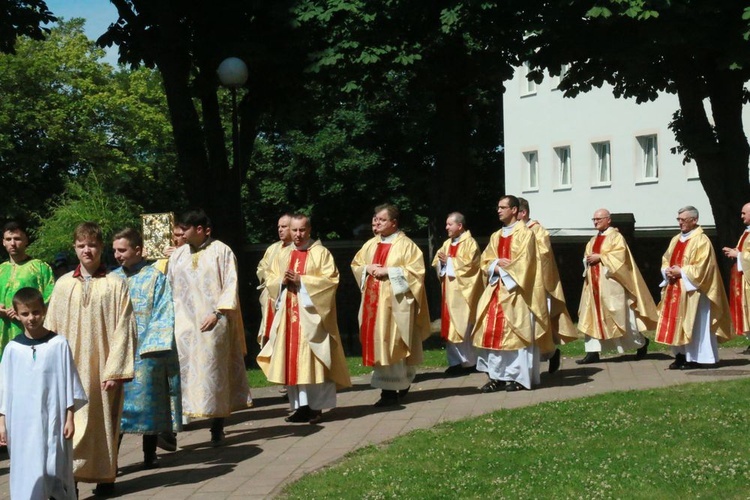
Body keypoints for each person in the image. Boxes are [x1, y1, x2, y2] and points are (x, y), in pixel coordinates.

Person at [44, 222, 136, 496]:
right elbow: (51, 329)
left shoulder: (115, 284)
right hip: (69, 368)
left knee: (102, 423)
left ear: (101, 248)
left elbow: (125, 327)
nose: (87, 250)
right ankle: (69, 477)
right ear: (74, 248)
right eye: (81, 245)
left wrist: (116, 370)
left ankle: (105, 477)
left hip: (102, 369)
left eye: (92, 245)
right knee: (70, 424)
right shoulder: (62, 286)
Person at [168, 209, 251, 445]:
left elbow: (230, 285)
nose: (182, 233)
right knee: (181, 376)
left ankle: (217, 427)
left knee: (213, 375)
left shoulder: (221, 251)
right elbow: (170, 287)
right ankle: (173, 429)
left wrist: (218, 313)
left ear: (203, 229)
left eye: (187, 229)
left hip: (214, 323)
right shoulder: (178, 255)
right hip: (184, 326)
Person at [257, 214, 351, 423]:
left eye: (302, 230)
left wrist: (303, 281)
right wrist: (281, 281)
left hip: (312, 318)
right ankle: (300, 406)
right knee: (293, 361)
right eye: (294, 230)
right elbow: (270, 278)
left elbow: (330, 281)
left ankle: (316, 407)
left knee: (313, 360)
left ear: (309, 230)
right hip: (288, 316)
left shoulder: (320, 253)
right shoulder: (283, 254)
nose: (297, 235)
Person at [0, 287, 87, 500]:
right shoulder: (13, 349)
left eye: (36, 312)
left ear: (44, 310)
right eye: (25, 314)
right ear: (17, 314)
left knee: (54, 465)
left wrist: (69, 417)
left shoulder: (58, 344)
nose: (31, 318)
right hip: (21, 424)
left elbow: (69, 383)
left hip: (53, 419)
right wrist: (2, 423)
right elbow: (4, 389)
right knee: (25, 468)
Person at [112, 229, 182, 469]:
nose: (117, 255)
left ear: (138, 250)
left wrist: (151, 347)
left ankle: (150, 454)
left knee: (149, 404)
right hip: (117, 352)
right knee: (116, 407)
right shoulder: (111, 278)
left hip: (146, 352)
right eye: (114, 251)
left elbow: (164, 312)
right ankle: (111, 458)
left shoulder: (155, 277)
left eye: (122, 250)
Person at [351, 204, 431, 407]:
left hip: (396, 304)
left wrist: (389, 271)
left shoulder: (406, 245)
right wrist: (367, 268)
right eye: (375, 218)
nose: (376, 222)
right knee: (378, 342)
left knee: (393, 342)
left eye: (381, 219)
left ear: (394, 223)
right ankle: (392, 387)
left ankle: (392, 389)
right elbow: (356, 265)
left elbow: (416, 273)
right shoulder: (370, 244)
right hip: (372, 305)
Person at [472, 195, 549, 392]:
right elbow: (485, 260)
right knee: (492, 333)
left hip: (517, 292)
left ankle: (519, 377)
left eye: (503, 207)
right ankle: (497, 376)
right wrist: (496, 265)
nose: (498, 210)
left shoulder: (526, 234)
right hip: (496, 290)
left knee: (516, 333)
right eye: (498, 207)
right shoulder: (496, 236)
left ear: (514, 210)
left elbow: (526, 263)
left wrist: (502, 268)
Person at [576, 209, 657, 364]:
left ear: (608, 220)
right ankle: (592, 352)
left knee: (623, 318)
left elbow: (620, 259)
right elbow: (587, 257)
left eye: (599, 219)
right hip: (593, 286)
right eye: (594, 219)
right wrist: (587, 260)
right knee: (592, 318)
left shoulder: (616, 237)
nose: (595, 222)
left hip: (612, 285)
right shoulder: (592, 240)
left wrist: (601, 257)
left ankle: (641, 342)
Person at [656, 206, 732, 368]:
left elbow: (704, 267)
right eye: (679, 220)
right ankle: (680, 355)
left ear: (694, 220)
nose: (680, 223)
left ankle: (700, 358)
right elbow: (666, 258)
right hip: (675, 289)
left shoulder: (702, 240)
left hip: (695, 292)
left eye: (683, 220)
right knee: (676, 323)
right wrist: (667, 271)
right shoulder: (676, 239)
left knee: (696, 324)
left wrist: (681, 271)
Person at [517, 198, 578, 372]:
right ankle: (541, 358)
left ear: (523, 213)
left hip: (537, 285)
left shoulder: (538, 231)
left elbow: (543, 256)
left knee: (537, 324)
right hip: (519, 284)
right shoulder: (513, 232)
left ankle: (547, 355)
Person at [432, 212, 483, 376]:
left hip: (463, 294)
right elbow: (437, 262)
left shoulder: (470, 244)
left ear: (459, 226)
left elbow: (472, 267)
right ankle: (455, 362)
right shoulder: (447, 244)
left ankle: (469, 362)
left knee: (462, 328)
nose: (446, 227)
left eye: (449, 224)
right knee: (450, 327)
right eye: (446, 224)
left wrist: (451, 262)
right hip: (449, 292)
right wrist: (442, 262)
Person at [0, 221, 55, 359]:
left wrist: (22, 309)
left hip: (30, 330)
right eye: (8, 239)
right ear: (3, 242)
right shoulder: (1, 270)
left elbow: (51, 296)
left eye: (17, 239)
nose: (13, 243)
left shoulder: (40, 268)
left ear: (26, 241)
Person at [257, 214, 292, 347]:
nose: (280, 230)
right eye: (279, 227)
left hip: (289, 295)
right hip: (271, 297)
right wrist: (275, 281)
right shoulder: (272, 249)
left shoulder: (299, 249)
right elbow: (261, 268)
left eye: (284, 227)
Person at [722, 202, 750, 351]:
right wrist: (735, 251)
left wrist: (738, 255)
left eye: (744, 213)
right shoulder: (747, 232)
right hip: (742, 279)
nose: (741, 216)